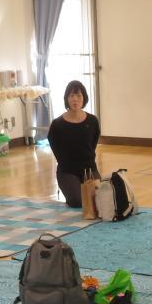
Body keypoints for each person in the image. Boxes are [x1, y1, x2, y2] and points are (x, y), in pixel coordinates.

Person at [46, 80, 101, 209]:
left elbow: (92, 144)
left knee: (99, 199)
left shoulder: (92, 121)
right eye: (72, 95)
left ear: (84, 98)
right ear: (67, 99)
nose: (75, 99)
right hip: (67, 171)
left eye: (79, 95)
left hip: (89, 169)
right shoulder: (57, 124)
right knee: (77, 202)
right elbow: (55, 148)